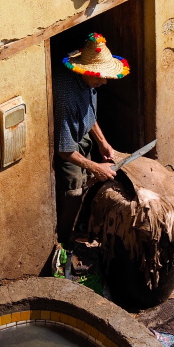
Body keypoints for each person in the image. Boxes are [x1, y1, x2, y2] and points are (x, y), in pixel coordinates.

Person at [52, 32, 129, 240]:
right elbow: (64, 150)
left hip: (81, 135)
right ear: (86, 72)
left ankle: (81, 223)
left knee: (87, 180)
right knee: (73, 193)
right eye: (100, 76)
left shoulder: (90, 82)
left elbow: (88, 113)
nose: (104, 82)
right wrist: (95, 167)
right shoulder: (66, 98)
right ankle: (65, 239)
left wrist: (103, 143)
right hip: (68, 148)